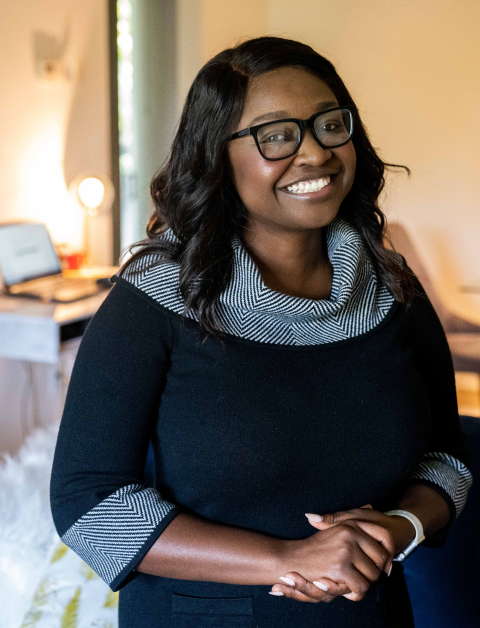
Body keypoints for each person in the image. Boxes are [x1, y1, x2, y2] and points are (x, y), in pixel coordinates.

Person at [50, 36, 473, 627]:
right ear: (216, 156)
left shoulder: (390, 289)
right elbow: (87, 501)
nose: (315, 153)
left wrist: (397, 527)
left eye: (330, 125)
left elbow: (448, 459)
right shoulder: (154, 299)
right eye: (276, 136)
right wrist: (287, 559)